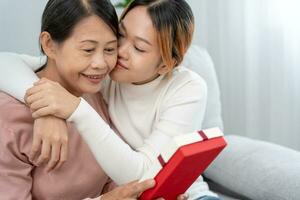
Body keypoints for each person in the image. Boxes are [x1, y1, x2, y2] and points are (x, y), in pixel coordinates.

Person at [0, 0, 219, 199]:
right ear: (49, 45)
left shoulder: (98, 86)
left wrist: (73, 109)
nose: (108, 59)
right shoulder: (98, 80)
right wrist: (46, 108)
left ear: (166, 65)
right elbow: (5, 63)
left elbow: (135, 177)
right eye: (121, 36)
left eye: (109, 48)